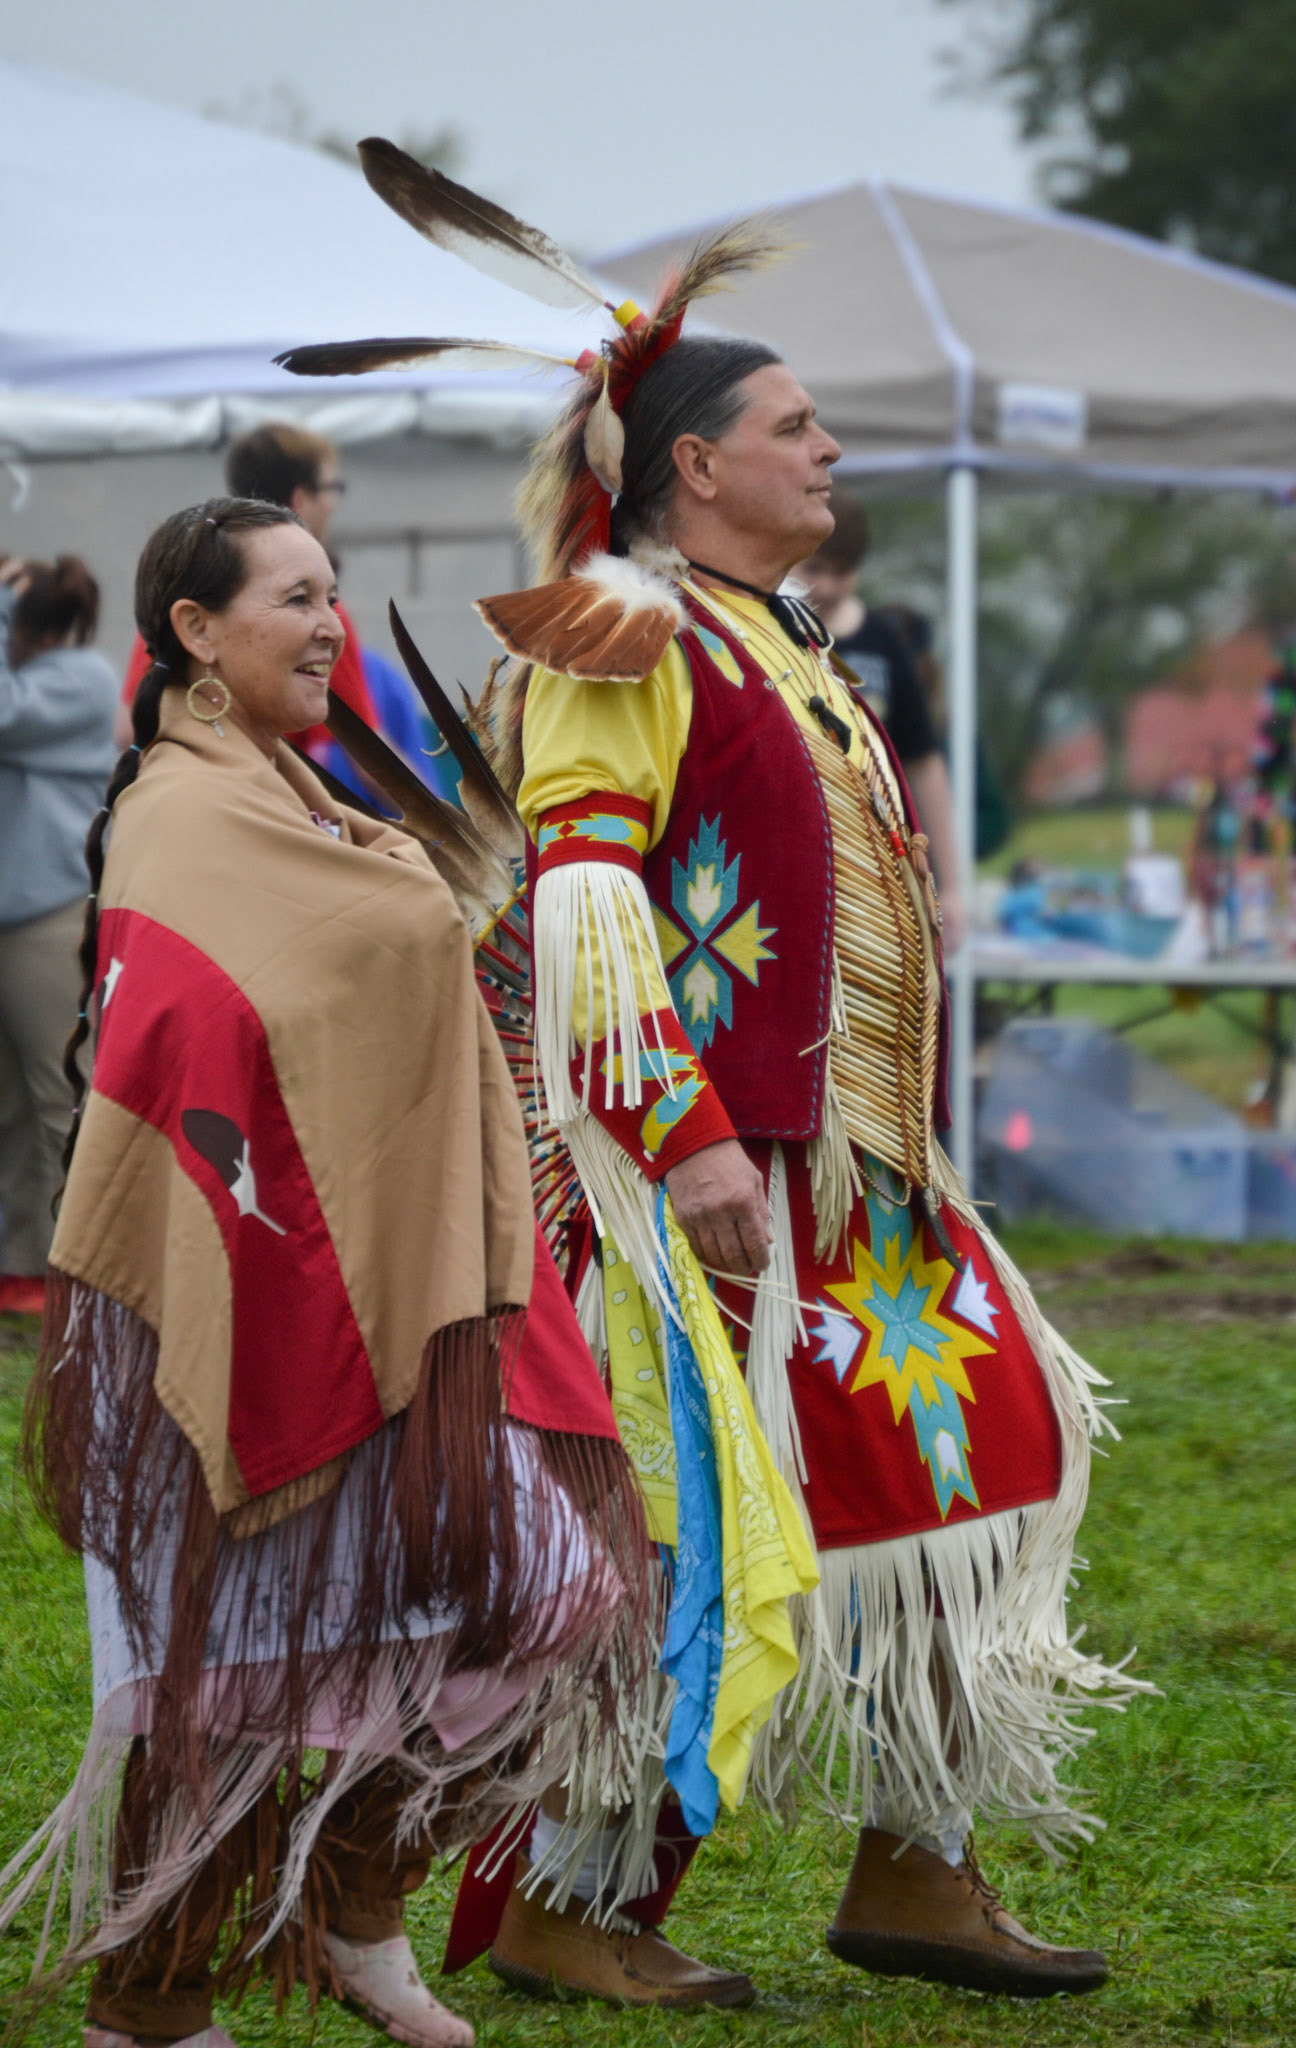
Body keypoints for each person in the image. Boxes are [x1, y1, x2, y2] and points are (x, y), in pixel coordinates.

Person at [465, 301, 1147, 2003]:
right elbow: (587, 903)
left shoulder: (770, 629)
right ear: (694, 464)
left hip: (860, 1168)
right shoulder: (618, 627)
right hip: (712, 1175)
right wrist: (687, 1138)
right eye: (797, 424)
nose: (829, 447)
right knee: (697, 1521)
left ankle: (919, 1863)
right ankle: (575, 1892)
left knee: (975, 1454)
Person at [0, 499, 650, 2048]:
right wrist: (417, 926)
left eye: (334, 596)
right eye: (293, 597)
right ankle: (146, 2015)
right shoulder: (179, 815)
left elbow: (377, 970)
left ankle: (356, 1897)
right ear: (195, 636)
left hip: (383, 1303)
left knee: (561, 1603)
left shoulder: (298, 797)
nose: (326, 623)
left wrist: (411, 926)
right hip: (237, 1299)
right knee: (225, 1690)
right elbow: (198, 1048)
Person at [114, 424, 381, 774]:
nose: (331, 629)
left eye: (330, 600)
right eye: (299, 599)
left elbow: (128, 727)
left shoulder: (188, 590)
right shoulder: (202, 794)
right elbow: (372, 758)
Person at [0, 553, 117, 1315]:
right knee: (10, 1104)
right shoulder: (35, 683)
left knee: (58, 1094)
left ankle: (80, 1274)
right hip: (16, 920)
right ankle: (21, 1272)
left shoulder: (81, 680)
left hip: (49, 919)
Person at [797, 490, 965, 951]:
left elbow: (924, 763)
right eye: (814, 569)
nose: (828, 587)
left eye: (843, 573)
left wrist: (950, 888)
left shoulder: (886, 645)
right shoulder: (770, 632)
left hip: (877, 868)